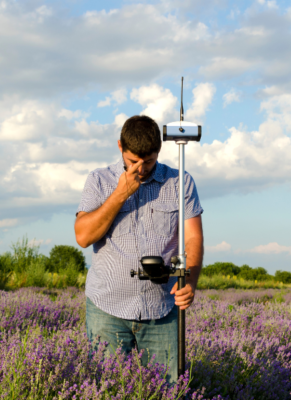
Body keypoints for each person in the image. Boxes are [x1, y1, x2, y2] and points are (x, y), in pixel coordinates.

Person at [74, 115, 204, 384]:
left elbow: (193, 239)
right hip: (107, 309)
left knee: (166, 389)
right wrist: (121, 193)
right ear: (120, 146)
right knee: (106, 388)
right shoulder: (99, 180)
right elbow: (84, 236)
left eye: (149, 161)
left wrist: (190, 281)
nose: (141, 169)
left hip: (161, 309)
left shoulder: (180, 182)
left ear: (159, 151)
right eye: (134, 162)